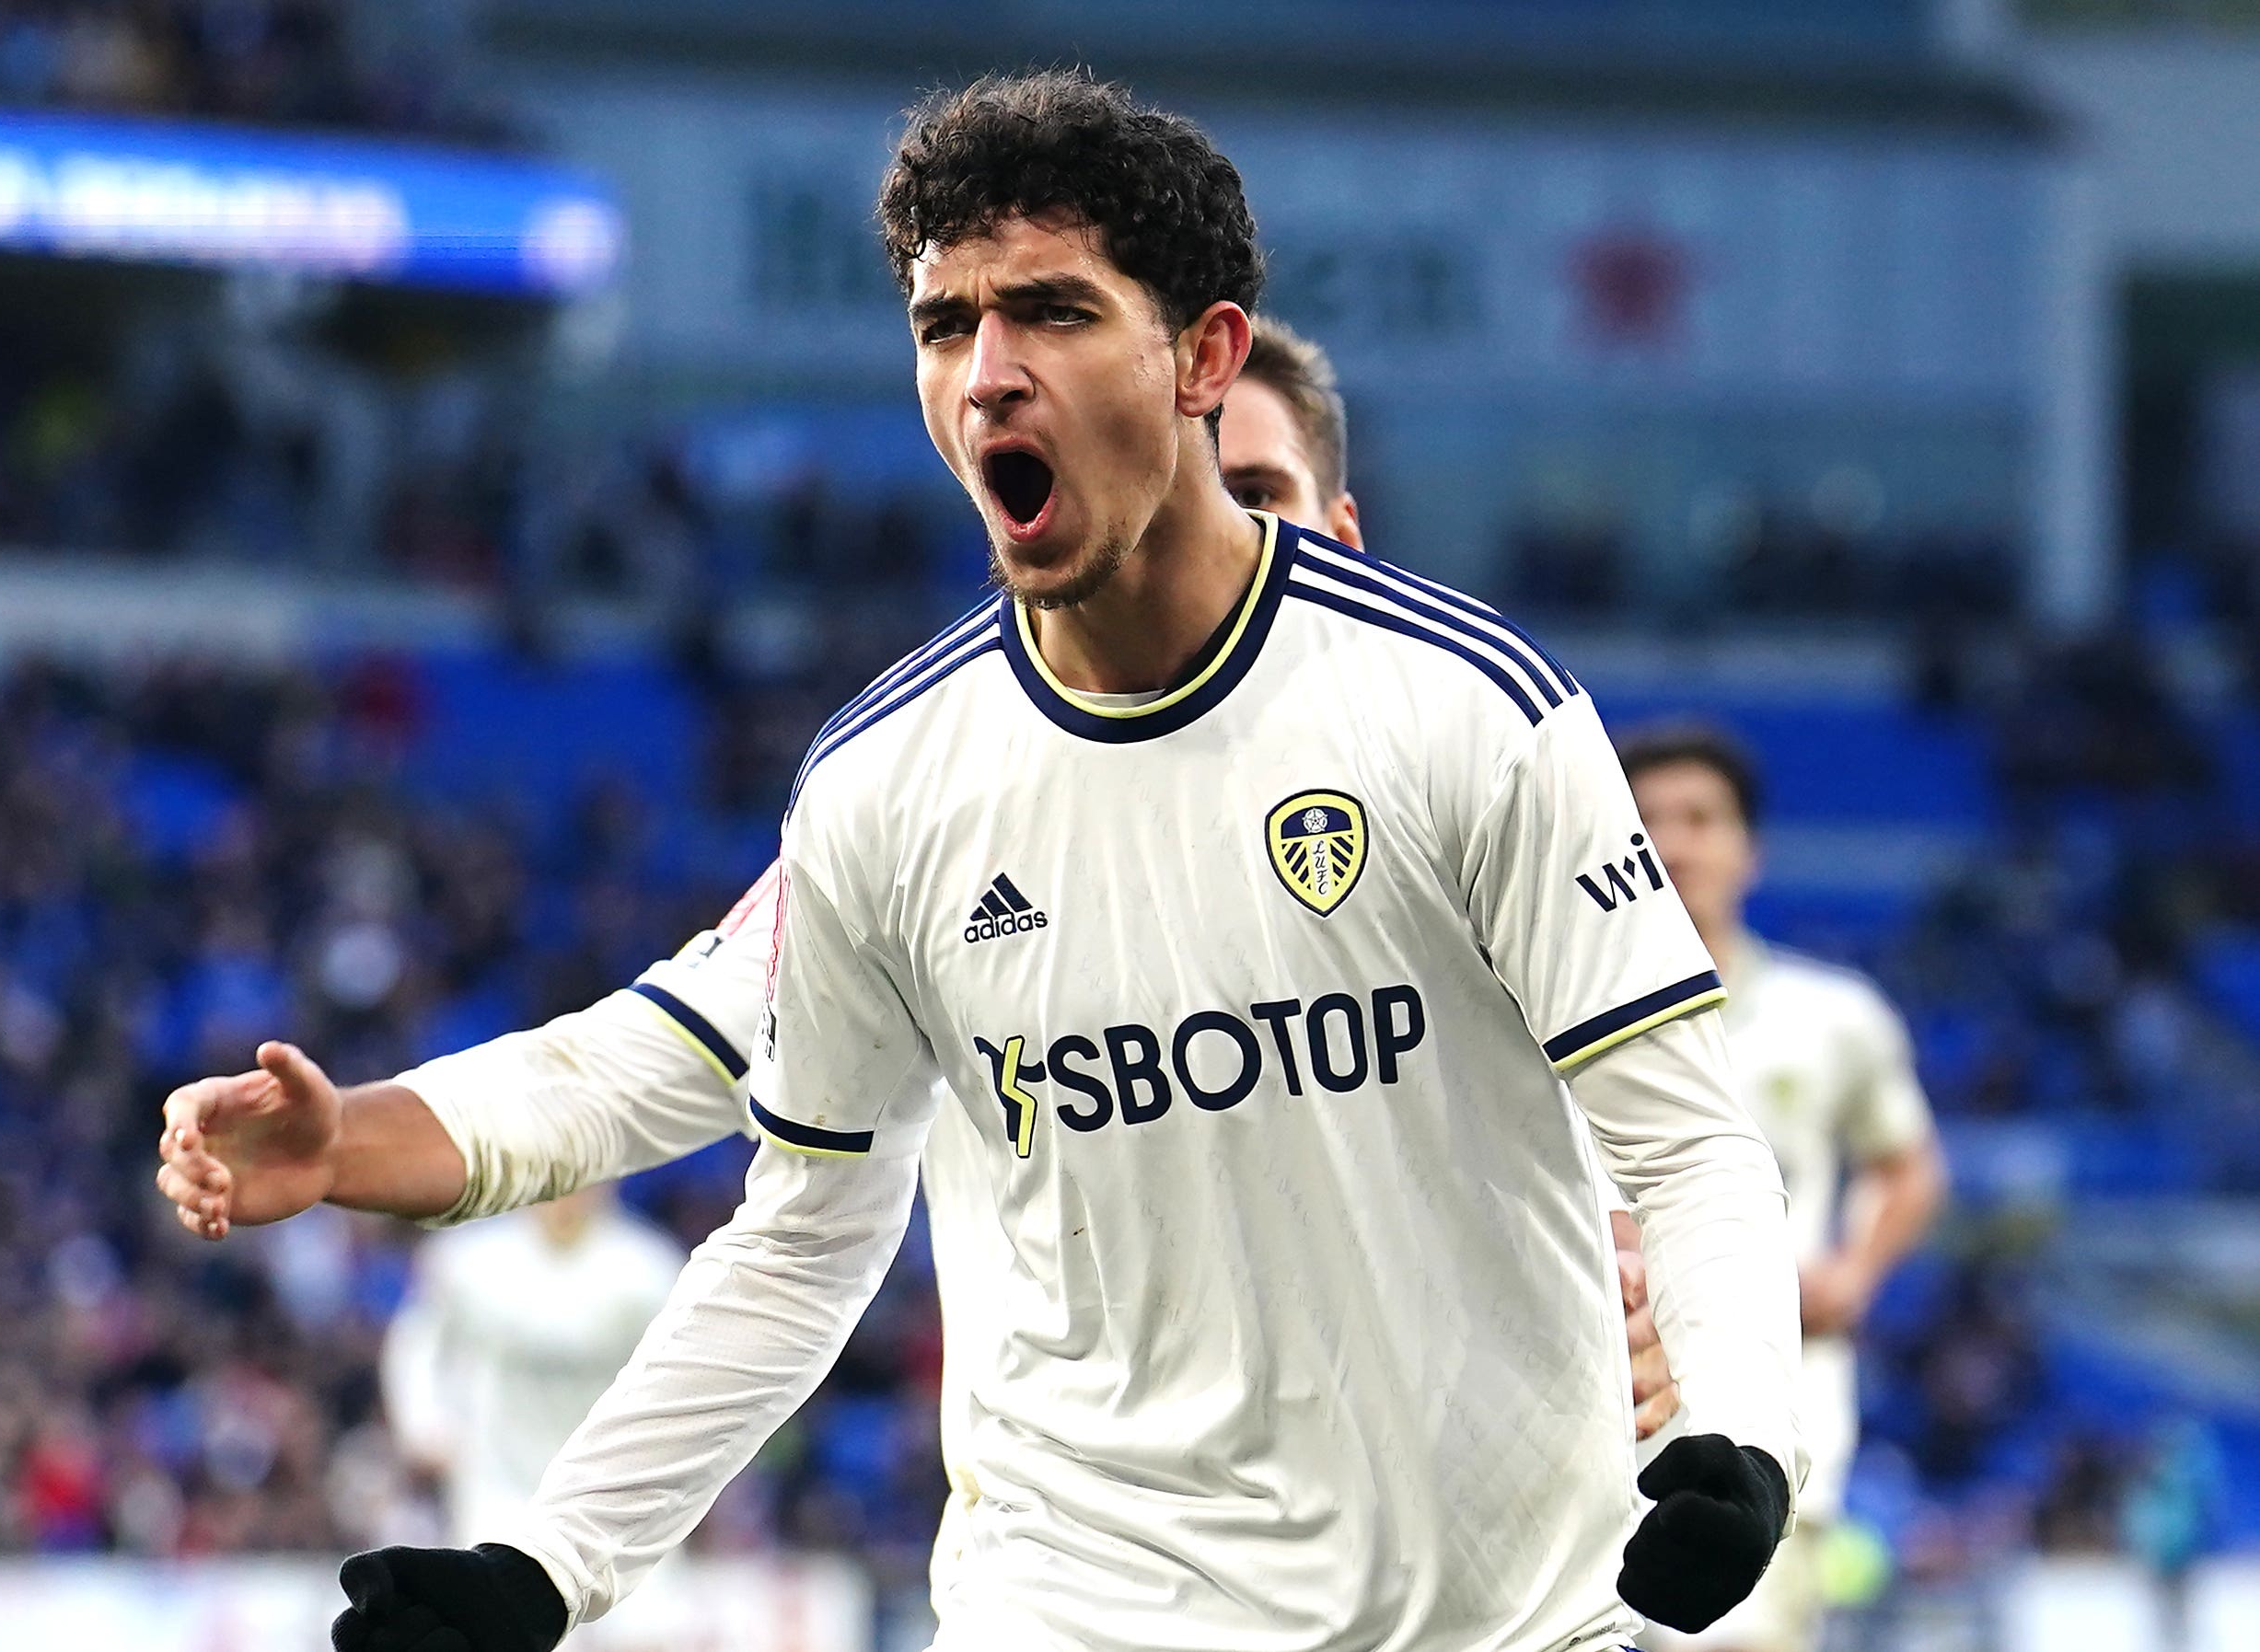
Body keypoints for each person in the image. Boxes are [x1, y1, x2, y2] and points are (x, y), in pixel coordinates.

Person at [172, 72, 1791, 1649]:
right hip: (1069, 1599)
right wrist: (549, 1561)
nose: (990, 374)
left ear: (1203, 359)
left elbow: (1688, 1140)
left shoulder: (1466, 710)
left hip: (1488, 1615)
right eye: (947, 327)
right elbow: (764, 1180)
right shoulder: (888, 788)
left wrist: (1742, 1435)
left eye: (1055, 313)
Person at [1619, 726, 1947, 1652]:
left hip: (1770, 1403)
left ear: (1747, 850)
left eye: (1699, 819)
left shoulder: (1829, 1016)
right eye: (1644, 822)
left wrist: (1853, 1270)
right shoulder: (1533, 1019)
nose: (1672, 843)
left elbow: (1906, 1163)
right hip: (1598, 1393)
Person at [379, 1189, 684, 1547]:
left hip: (613, 1487)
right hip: (496, 1479)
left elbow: (681, 1368)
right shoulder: (470, 1261)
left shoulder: (648, 1269)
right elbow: (418, 1342)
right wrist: (424, 1423)